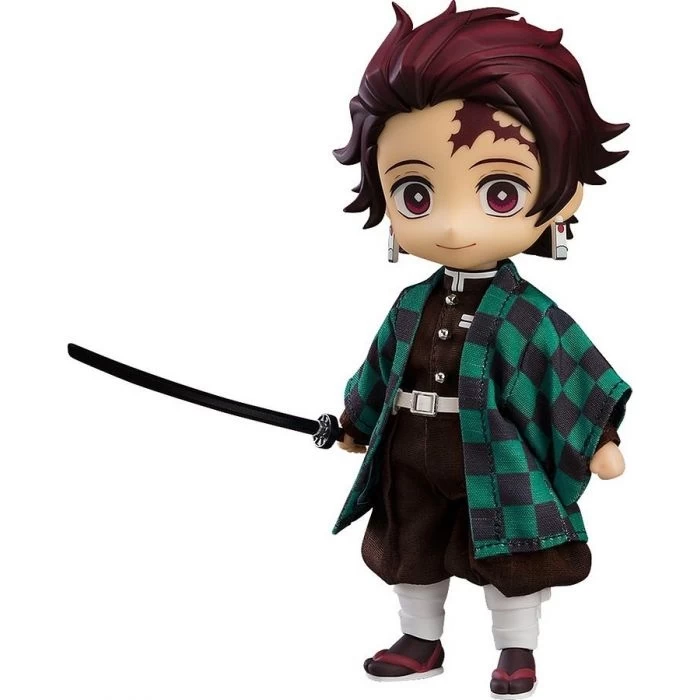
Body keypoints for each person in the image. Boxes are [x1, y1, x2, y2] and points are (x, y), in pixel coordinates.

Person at [332, 4, 631, 697]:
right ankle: (419, 639)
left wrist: (599, 438)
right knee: (410, 546)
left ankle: (516, 650)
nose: (452, 223)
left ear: (563, 197)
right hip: (411, 450)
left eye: (499, 191)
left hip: (495, 455)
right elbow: (380, 370)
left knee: (514, 553)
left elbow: (570, 370)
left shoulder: (530, 314)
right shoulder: (409, 305)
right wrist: (354, 422)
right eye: (416, 192)